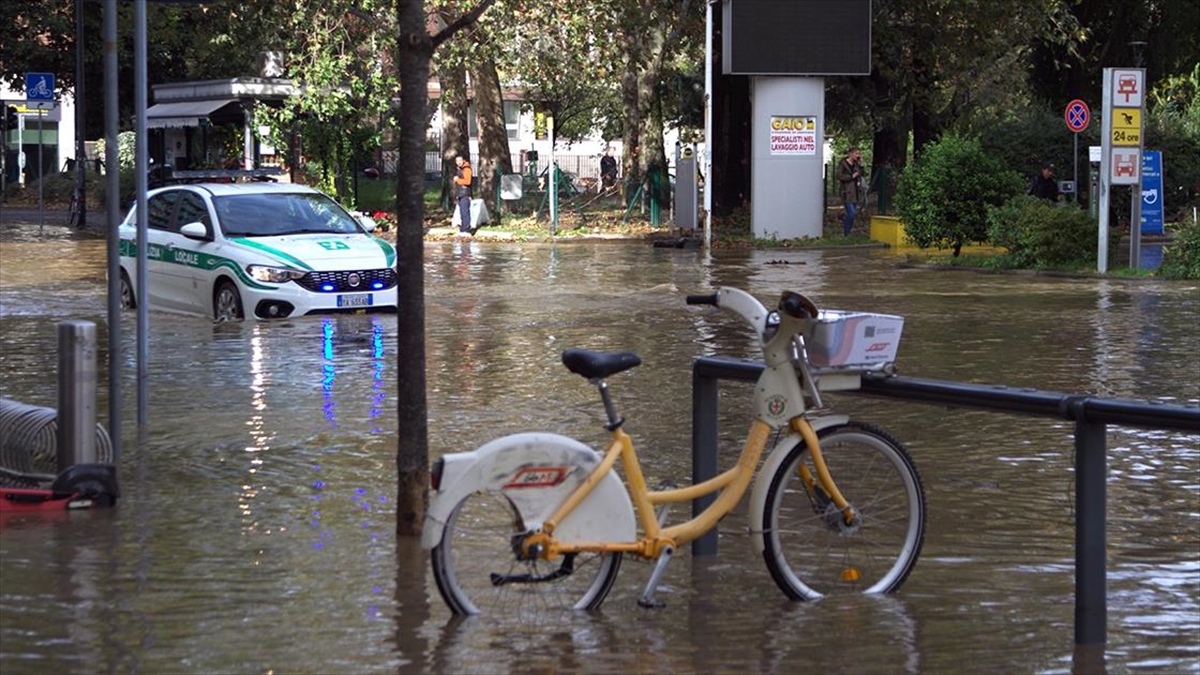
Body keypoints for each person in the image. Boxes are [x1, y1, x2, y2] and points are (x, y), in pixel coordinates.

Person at [837, 147, 865, 236]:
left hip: (855, 191)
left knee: (853, 213)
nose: (858, 156)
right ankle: (846, 232)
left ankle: (848, 231)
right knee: (851, 212)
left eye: (858, 154)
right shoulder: (843, 164)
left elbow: (862, 173)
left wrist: (861, 165)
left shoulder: (856, 164)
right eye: (856, 154)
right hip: (847, 191)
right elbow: (839, 176)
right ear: (850, 154)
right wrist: (851, 176)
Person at [453, 155, 473, 234]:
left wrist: (457, 180)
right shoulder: (460, 169)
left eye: (460, 161)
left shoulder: (467, 169)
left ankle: (466, 229)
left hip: (465, 193)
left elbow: (467, 181)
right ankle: (463, 228)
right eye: (457, 161)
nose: (458, 163)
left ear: (463, 160)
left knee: (465, 212)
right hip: (460, 193)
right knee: (462, 212)